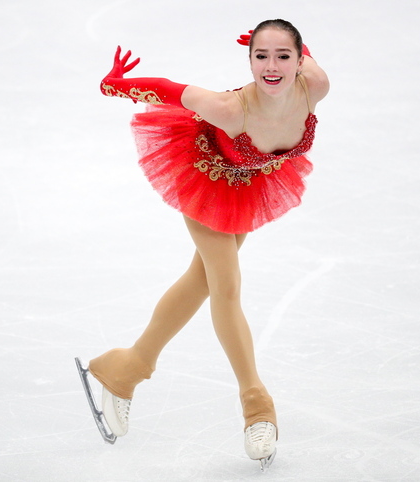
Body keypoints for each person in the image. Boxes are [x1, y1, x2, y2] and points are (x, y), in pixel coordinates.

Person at [75, 19, 329, 471]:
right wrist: (115, 85)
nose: (271, 67)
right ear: (248, 61)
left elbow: (303, 60)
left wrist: (282, 45)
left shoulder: (316, 86)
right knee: (227, 286)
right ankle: (257, 405)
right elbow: (169, 89)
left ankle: (125, 369)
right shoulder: (229, 108)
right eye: (261, 56)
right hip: (204, 177)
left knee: (202, 280)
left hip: (245, 185)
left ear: (300, 59)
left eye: (283, 56)